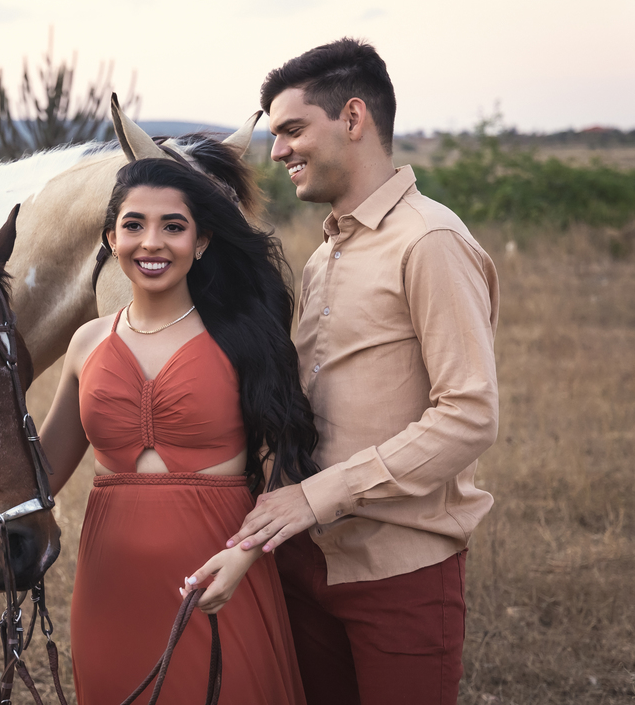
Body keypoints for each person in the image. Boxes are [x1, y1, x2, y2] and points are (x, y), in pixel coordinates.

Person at [229, 38, 500, 705]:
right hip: (302, 561)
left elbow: (469, 416)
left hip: (399, 572)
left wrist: (317, 497)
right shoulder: (325, 255)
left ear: (353, 118)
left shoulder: (430, 241)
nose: (277, 151)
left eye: (293, 129)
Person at [38, 155, 319, 704]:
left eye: (173, 226)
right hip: (109, 587)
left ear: (203, 241)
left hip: (222, 572)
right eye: (134, 225)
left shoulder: (244, 337)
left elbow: (290, 461)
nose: (152, 243)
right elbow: (39, 477)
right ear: (110, 239)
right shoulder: (87, 344)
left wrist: (244, 556)